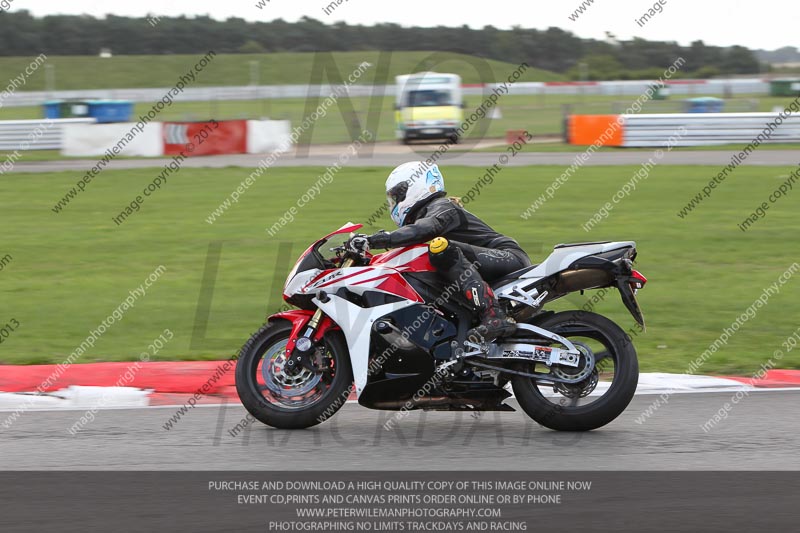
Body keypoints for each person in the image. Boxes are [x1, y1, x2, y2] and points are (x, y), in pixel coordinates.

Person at [347, 161, 532, 343]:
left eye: (397, 196)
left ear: (416, 187)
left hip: (507, 256)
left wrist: (375, 240)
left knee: (440, 249)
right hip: (487, 261)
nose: (394, 203)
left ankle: (493, 315)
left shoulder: (442, 207)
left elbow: (424, 229)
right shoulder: (428, 214)